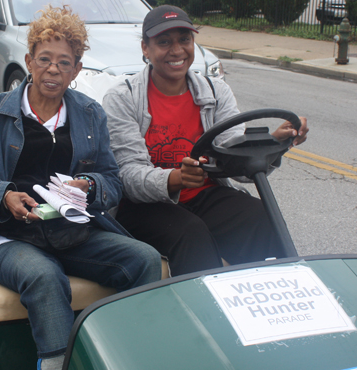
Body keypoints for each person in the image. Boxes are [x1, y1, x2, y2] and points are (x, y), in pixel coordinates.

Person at [0, 6, 162, 370]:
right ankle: (57, 363)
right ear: (29, 60)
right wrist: (4, 197)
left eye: (65, 62)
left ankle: (130, 356)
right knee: (43, 275)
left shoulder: (90, 114)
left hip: (68, 231)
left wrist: (88, 187)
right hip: (3, 235)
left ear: (76, 69)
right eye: (45, 59)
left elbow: (111, 180)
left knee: (145, 259)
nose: (53, 69)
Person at [102, 5, 309, 277]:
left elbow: (235, 155)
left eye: (184, 40)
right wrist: (175, 178)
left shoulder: (215, 90)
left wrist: (274, 143)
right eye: (164, 42)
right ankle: (204, 312)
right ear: (145, 48)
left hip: (203, 194)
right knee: (189, 233)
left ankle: (277, 292)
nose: (177, 51)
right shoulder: (123, 97)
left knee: (260, 216)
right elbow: (128, 175)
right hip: (144, 205)